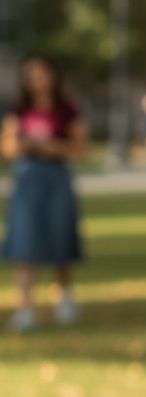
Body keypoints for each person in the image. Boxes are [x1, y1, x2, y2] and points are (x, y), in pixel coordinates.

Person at [1, 53, 89, 332]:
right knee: (25, 240)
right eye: (31, 75)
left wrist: (52, 147)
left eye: (40, 74)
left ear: (53, 76)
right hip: (28, 178)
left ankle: (65, 297)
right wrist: (27, 146)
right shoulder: (19, 110)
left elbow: (79, 148)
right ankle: (25, 308)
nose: (35, 81)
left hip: (57, 177)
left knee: (59, 237)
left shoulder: (67, 110)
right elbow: (9, 147)